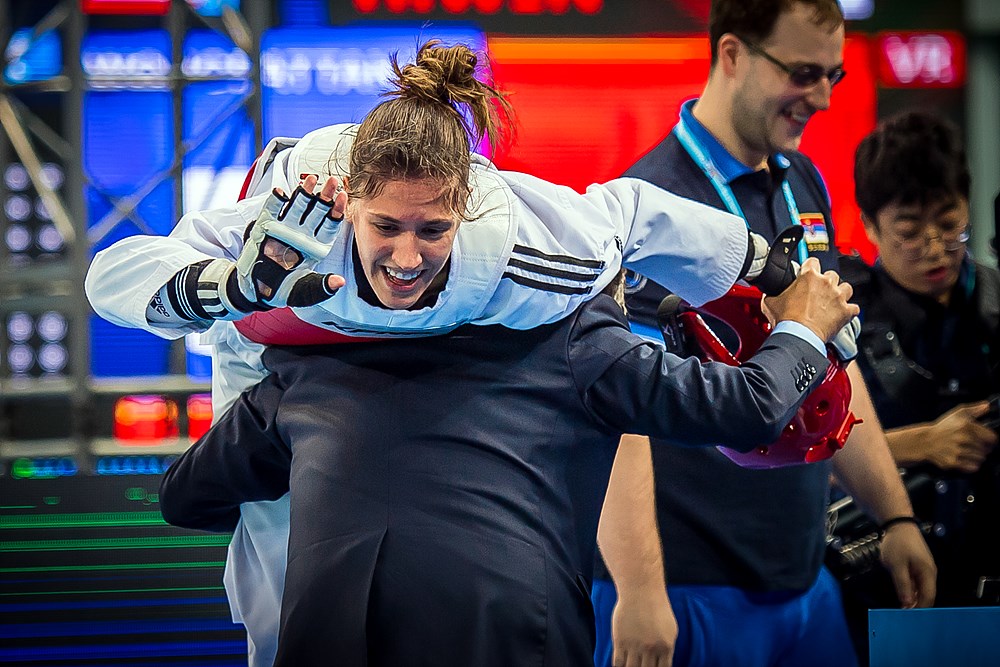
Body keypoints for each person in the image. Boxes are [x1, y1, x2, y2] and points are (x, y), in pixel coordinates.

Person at [85, 40, 788, 666]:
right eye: (386, 226)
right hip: (272, 333)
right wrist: (232, 288)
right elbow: (110, 278)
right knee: (279, 594)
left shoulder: (533, 248)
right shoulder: (284, 229)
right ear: (350, 207)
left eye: (432, 230)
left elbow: (636, 216)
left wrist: (769, 269)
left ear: (465, 210)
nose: (406, 257)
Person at [158, 259, 859, 665]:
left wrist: (309, 498)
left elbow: (185, 497)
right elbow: (746, 406)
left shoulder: (305, 365)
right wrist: (805, 326)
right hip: (518, 636)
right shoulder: (580, 338)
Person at [590, 2, 938, 666]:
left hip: (804, 582)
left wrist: (895, 517)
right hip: (685, 594)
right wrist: (639, 591)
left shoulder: (799, 181)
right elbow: (615, 415)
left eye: (833, 75)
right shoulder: (648, 206)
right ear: (732, 55)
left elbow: (834, 363)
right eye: (804, 73)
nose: (824, 98)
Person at [836, 110, 1000, 654]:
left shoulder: (995, 301)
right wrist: (921, 443)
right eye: (908, 230)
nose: (934, 246)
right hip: (883, 583)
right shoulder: (842, 319)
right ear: (870, 225)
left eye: (949, 222)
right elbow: (796, 460)